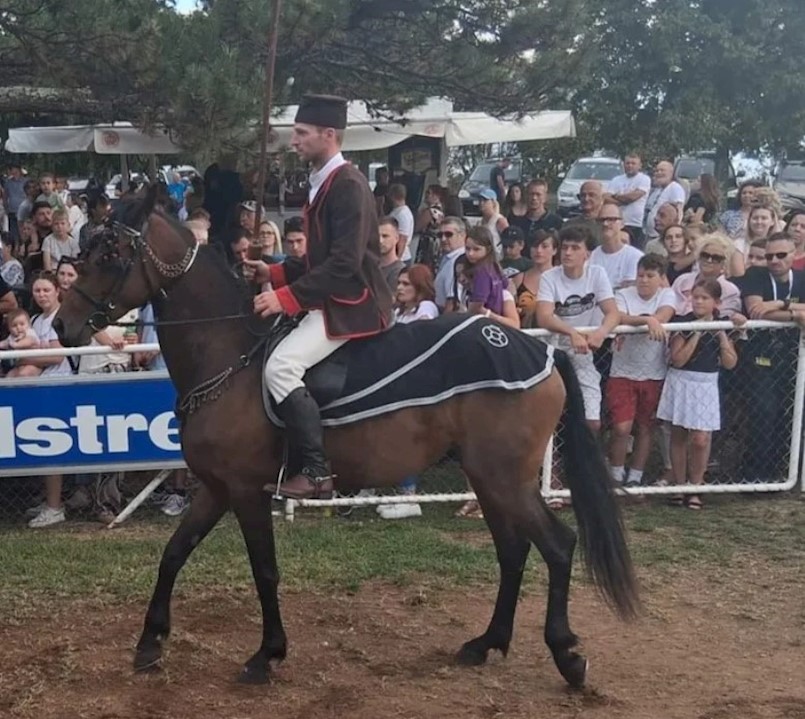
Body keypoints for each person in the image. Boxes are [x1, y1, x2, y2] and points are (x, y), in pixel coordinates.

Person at [242, 95, 393, 500]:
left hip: (352, 303)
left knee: (280, 368)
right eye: (296, 132)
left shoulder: (347, 184)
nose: (294, 141)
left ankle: (315, 471)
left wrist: (285, 298)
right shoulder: (324, 182)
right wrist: (272, 272)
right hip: (331, 295)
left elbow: (344, 264)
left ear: (329, 135)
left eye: (302, 133)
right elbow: (317, 259)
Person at [657, 278, 738, 510]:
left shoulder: (722, 324)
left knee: (701, 439)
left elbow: (730, 362)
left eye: (705, 298)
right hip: (682, 380)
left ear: (716, 302)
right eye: (696, 297)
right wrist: (697, 332)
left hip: (706, 383)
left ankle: (696, 485)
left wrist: (719, 331)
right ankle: (680, 485)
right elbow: (679, 359)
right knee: (679, 433)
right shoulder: (682, 322)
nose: (699, 302)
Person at [536, 224, 620, 432]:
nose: (568, 253)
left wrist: (601, 332)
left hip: (584, 351)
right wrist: (572, 332)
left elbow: (613, 312)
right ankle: (550, 464)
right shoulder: (550, 277)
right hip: (553, 349)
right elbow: (544, 317)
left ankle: (586, 461)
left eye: (574, 248)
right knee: (549, 418)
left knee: (593, 421)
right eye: (564, 248)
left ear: (587, 254)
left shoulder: (597, 274)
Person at [606, 255, 676, 488]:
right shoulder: (623, 295)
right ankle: (615, 474)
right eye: (640, 275)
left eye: (650, 276)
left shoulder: (666, 294)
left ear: (661, 278)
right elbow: (619, 317)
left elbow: (665, 314)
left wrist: (653, 320)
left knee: (647, 427)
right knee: (621, 427)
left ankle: (635, 477)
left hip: (654, 373)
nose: (644, 280)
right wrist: (648, 320)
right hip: (622, 371)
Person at [741, 232, 805, 482]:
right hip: (761, 357)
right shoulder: (755, 275)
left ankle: (789, 474)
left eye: (781, 255)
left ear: (793, 253)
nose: (775, 260)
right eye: (769, 256)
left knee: (791, 416)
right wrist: (797, 316)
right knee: (763, 413)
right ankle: (758, 476)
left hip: (794, 357)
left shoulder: (801, 278)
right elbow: (756, 310)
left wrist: (781, 305)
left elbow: (768, 308)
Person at [380, 264, 439, 520]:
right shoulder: (398, 311)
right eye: (399, 283)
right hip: (396, 381)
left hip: (417, 384)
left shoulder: (426, 308)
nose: (400, 288)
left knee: (408, 437)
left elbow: (420, 339)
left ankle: (409, 496)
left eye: (407, 284)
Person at [590, 203, 643, 290]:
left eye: (611, 219)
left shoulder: (636, 257)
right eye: (601, 220)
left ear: (622, 223)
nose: (605, 224)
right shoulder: (591, 257)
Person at [512, 229, 558, 326]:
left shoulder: (562, 278)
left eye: (544, 246)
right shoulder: (519, 279)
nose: (539, 250)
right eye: (535, 246)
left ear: (554, 250)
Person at [606, 153, 652, 249]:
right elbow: (606, 197)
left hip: (635, 224)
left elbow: (633, 197)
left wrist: (616, 196)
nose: (630, 165)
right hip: (617, 223)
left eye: (633, 163)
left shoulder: (644, 179)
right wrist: (624, 200)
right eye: (627, 163)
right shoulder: (616, 180)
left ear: (639, 166)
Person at [463, 226, 505, 317]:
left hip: (482, 322)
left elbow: (477, 305)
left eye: (476, 249)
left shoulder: (482, 271)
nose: (470, 253)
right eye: (467, 248)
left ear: (488, 249)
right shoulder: (495, 267)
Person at [644, 161, 686, 243]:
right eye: (656, 171)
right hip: (649, 235)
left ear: (671, 173)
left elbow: (679, 212)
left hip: (663, 237)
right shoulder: (657, 190)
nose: (658, 173)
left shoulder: (675, 188)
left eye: (662, 170)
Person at [434, 216, 467, 312]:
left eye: (449, 234)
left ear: (462, 235)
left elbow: (452, 301)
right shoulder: (448, 258)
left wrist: (444, 324)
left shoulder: (458, 261)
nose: (443, 239)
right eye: (440, 235)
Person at [477, 188, 509, 257]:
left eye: (485, 200)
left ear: (493, 202)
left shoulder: (499, 220)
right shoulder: (480, 222)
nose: (481, 203)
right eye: (480, 200)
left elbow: (508, 241)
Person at [388, 184, 415, 264]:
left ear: (392, 196)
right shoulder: (397, 211)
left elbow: (403, 238)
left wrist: (398, 259)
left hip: (402, 257)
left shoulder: (402, 214)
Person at [378, 216, 406, 290]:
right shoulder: (369, 266)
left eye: (385, 236)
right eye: (377, 236)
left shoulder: (400, 271)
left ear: (397, 238)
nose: (380, 241)